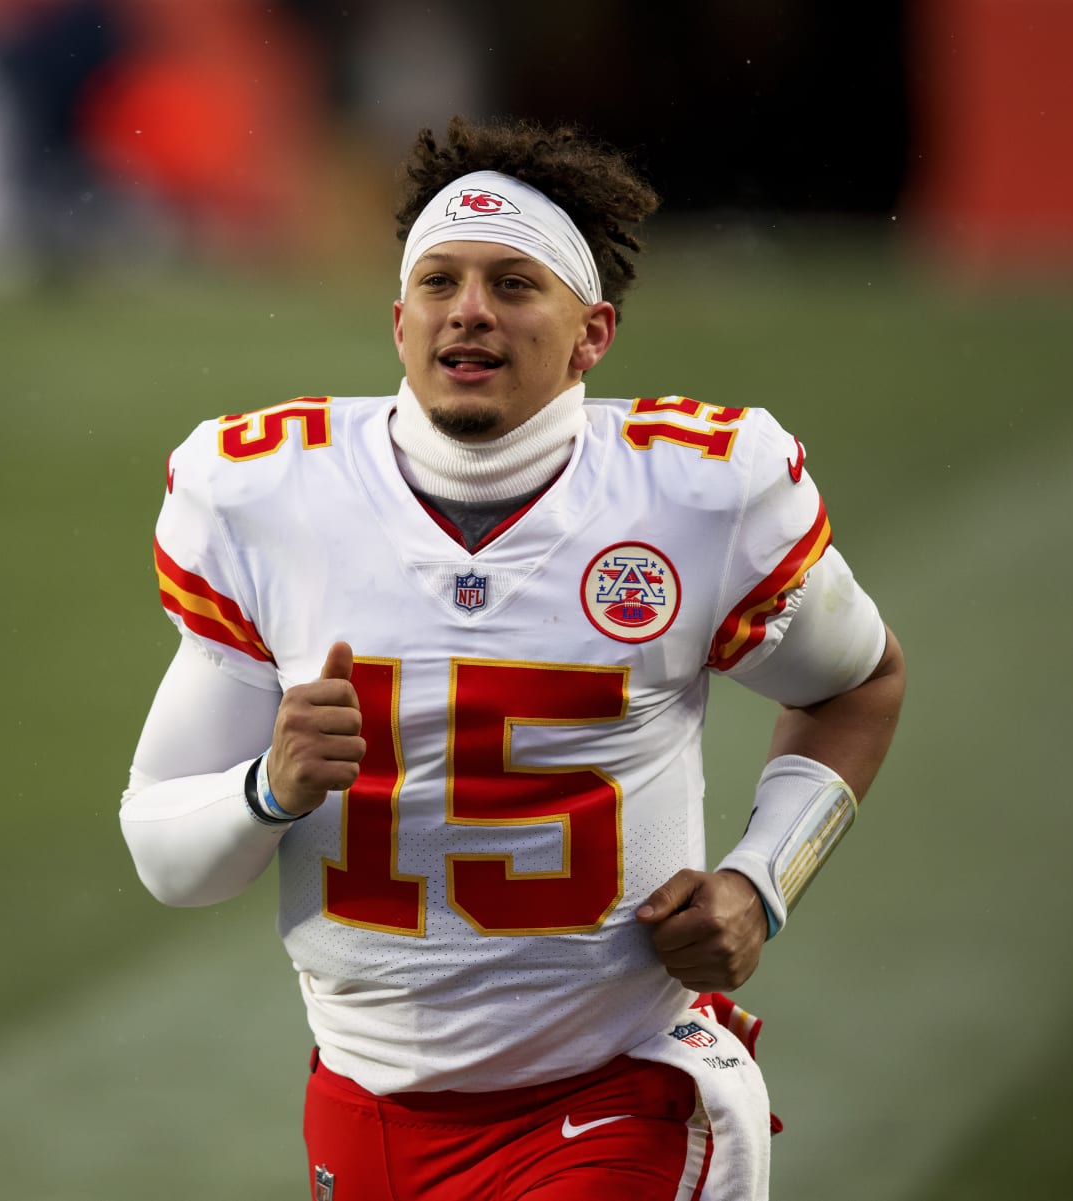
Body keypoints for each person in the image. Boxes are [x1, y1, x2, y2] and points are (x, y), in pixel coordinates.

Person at [118, 116, 905, 1201]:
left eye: (515, 283)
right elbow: (168, 857)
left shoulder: (700, 492)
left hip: (619, 1084)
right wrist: (270, 788)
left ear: (593, 334)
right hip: (363, 1100)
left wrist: (760, 881)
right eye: (439, 281)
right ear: (399, 320)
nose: (471, 309)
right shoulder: (265, 496)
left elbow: (858, 682)